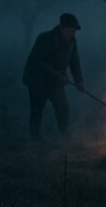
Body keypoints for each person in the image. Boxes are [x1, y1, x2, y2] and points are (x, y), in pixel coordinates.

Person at [22, 12, 85, 140]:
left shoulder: (72, 42)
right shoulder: (45, 38)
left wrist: (79, 81)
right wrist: (57, 74)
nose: (72, 34)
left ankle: (65, 136)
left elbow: (74, 62)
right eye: (71, 31)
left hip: (56, 83)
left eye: (74, 32)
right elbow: (38, 61)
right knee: (37, 110)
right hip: (37, 81)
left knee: (63, 108)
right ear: (62, 28)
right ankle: (35, 137)